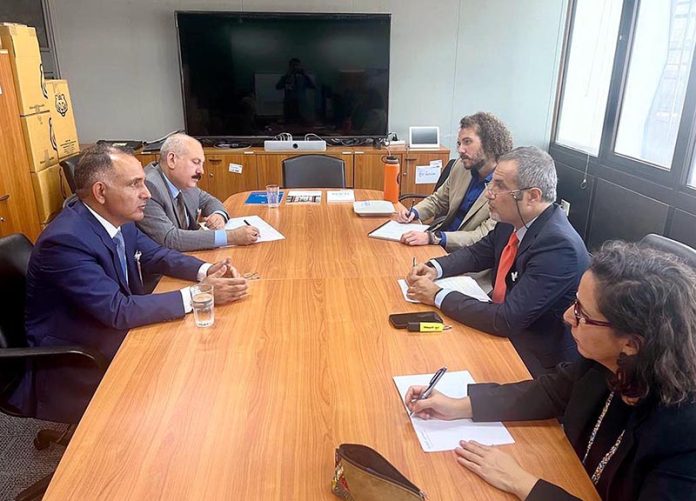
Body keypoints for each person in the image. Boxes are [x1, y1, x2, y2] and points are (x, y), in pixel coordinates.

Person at [405, 242, 696, 500]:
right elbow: (551, 391)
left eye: (583, 313)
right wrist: (459, 405)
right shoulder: (604, 362)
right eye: (575, 303)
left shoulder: (683, 436)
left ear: (631, 343)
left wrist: (523, 483)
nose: (568, 317)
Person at [9, 144, 249, 424]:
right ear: (100, 192)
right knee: (191, 366)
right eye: (135, 185)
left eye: (144, 183)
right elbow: (118, 310)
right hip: (75, 356)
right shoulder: (65, 241)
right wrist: (201, 294)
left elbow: (156, 255)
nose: (146, 193)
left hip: (108, 328)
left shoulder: (119, 219)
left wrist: (207, 270)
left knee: (205, 345)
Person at [406, 147, 589, 375]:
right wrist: (435, 268)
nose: (489, 193)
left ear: (533, 196)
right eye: (492, 183)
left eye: (500, 186)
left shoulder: (559, 248)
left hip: (532, 361)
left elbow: (507, 320)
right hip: (502, 331)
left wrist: (436, 295)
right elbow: (477, 253)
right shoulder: (512, 219)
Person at [395, 112, 513, 251]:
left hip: (468, 256)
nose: (460, 149)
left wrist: (434, 238)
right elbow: (438, 200)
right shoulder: (461, 167)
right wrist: (415, 212)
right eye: (459, 143)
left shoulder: (506, 186)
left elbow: (481, 237)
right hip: (438, 243)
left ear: (489, 143)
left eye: (467, 142)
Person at [137, 133, 259, 252]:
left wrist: (218, 215)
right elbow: (170, 239)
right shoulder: (149, 186)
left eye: (202, 164)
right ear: (172, 160)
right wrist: (231, 237)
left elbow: (208, 200)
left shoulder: (181, 180)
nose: (201, 171)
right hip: (163, 268)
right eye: (196, 162)